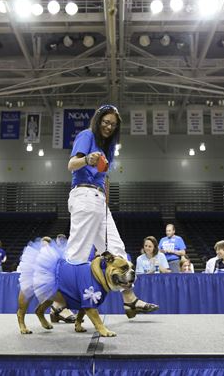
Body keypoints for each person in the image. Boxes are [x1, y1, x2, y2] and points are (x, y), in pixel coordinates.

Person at [65, 104, 158, 318]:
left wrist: (105, 200)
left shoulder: (108, 146)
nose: (108, 126)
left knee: (116, 249)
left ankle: (129, 299)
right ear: (98, 120)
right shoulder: (86, 135)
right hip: (83, 196)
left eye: (113, 124)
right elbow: (71, 164)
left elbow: (104, 177)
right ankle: (60, 305)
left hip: (99, 200)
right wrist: (87, 159)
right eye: (106, 122)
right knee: (77, 252)